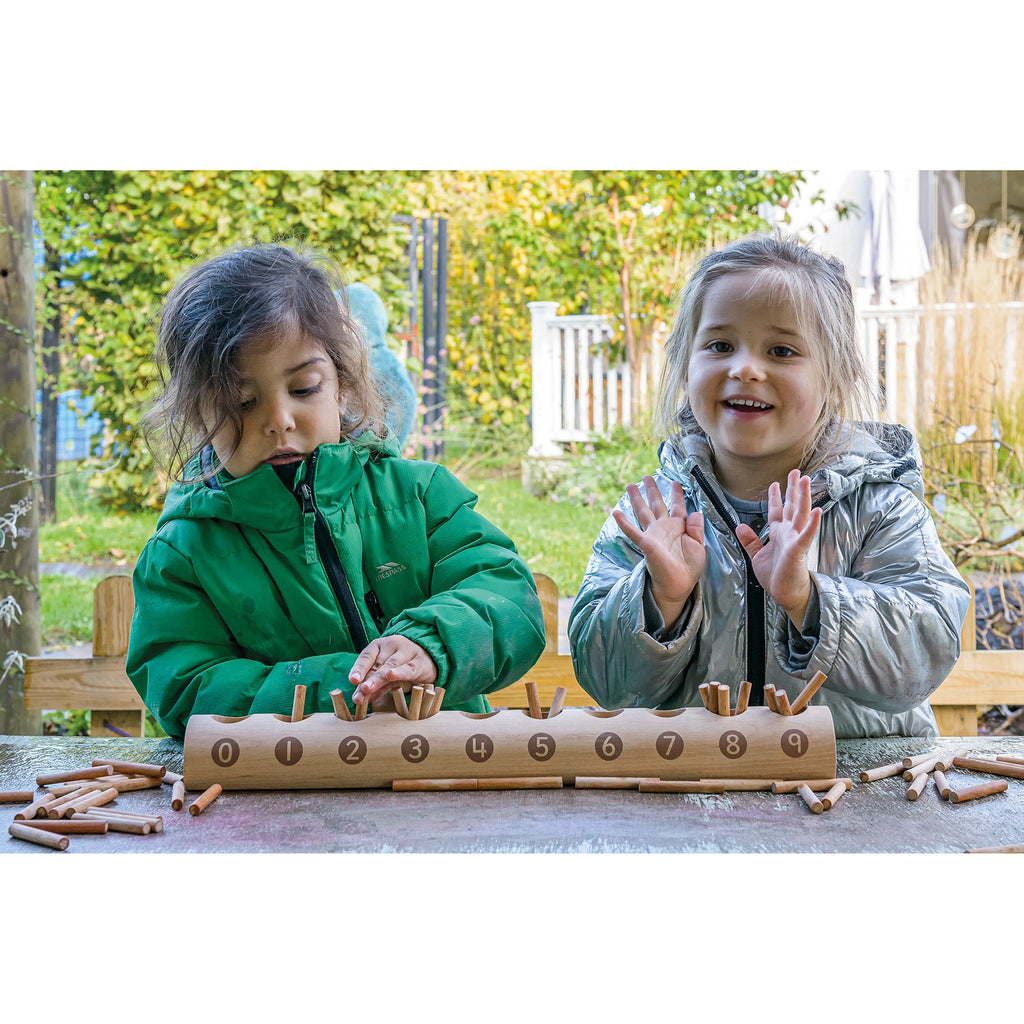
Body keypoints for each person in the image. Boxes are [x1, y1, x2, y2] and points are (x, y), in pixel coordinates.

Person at [126, 243, 545, 740]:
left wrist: (430, 644)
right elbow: (186, 688)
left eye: (304, 388)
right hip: (288, 785)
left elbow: (509, 598)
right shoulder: (182, 554)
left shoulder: (421, 496)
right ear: (197, 412)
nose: (279, 420)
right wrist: (346, 686)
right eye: (241, 401)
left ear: (342, 383)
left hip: (445, 774)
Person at [568, 234, 970, 738]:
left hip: (860, 776)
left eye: (781, 350)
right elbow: (605, 682)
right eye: (720, 345)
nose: (744, 368)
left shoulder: (880, 509)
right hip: (693, 776)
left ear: (837, 378)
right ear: (685, 365)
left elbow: (923, 654)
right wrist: (659, 600)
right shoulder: (655, 517)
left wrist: (809, 598)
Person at [338, 281, 418, 448]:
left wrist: (384, 446)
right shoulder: (341, 357)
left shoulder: (383, 362)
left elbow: (405, 400)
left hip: (370, 447)